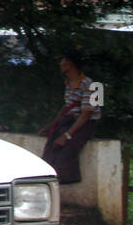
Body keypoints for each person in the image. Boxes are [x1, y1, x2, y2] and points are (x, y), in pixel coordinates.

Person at [38, 48, 101, 184]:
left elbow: (86, 115)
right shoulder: (68, 83)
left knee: (65, 154)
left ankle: (68, 180)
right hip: (69, 121)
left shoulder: (92, 85)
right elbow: (67, 107)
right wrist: (51, 126)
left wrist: (66, 136)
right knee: (50, 150)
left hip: (84, 124)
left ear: (69, 63)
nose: (60, 63)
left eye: (63, 60)